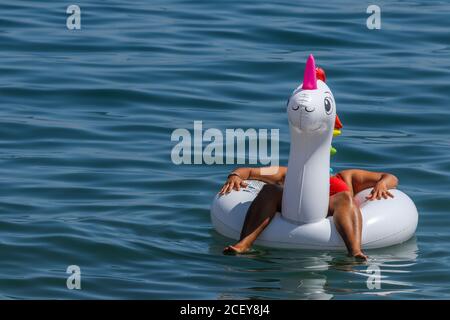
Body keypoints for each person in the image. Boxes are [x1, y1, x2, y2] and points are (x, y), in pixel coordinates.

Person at [219, 167, 399, 260]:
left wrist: (382, 184)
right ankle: (244, 244)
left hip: (332, 207)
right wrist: (234, 175)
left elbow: (390, 177)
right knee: (269, 190)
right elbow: (249, 171)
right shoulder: (288, 172)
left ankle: (355, 251)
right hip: (293, 206)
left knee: (346, 197)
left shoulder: (346, 177)